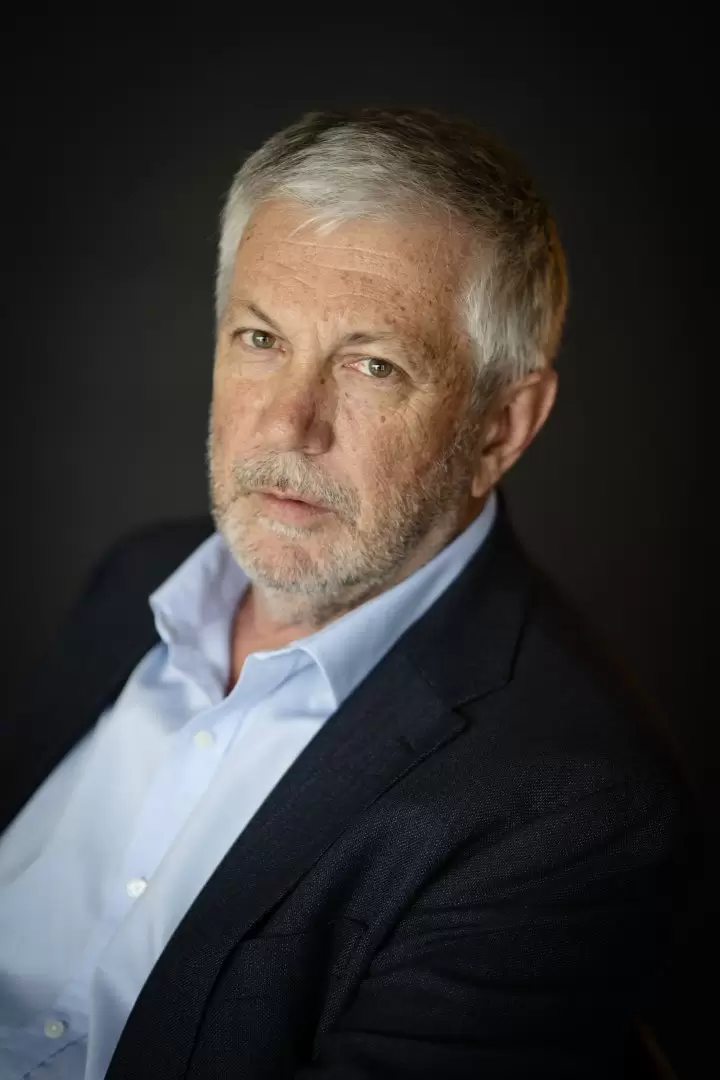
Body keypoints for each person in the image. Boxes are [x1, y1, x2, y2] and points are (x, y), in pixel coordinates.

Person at [0, 107, 695, 1079]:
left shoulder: (574, 807)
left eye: (374, 364)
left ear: (502, 425)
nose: (290, 424)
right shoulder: (133, 582)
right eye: (259, 337)